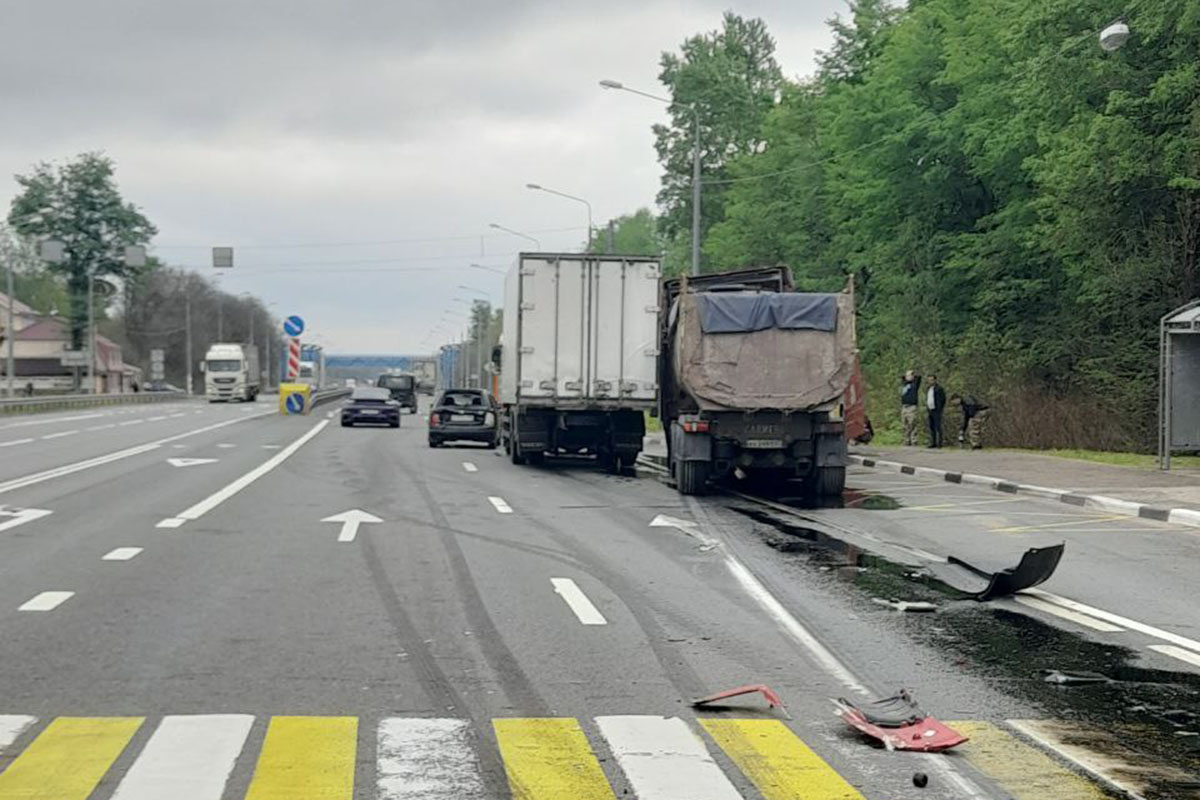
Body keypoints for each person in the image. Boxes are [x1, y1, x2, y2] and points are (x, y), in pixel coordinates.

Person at [899, 370, 921, 445]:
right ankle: (906, 440)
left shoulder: (915, 384)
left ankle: (914, 440)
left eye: (910, 375)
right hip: (904, 406)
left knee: (912, 423)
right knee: (904, 424)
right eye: (907, 376)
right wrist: (906, 376)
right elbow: (902, 377)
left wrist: (913, 374)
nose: (908, 377)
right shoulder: (904, 384)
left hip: (912, 406)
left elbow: (918, 377)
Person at [926, 374, 946, 448]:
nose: (930, 381)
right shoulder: (928, 388)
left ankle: (939, 443)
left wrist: (940, 408)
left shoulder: (939, 388)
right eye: (929, 380)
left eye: (931, 380)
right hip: (930, 409)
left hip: (937, 410)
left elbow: (943, 399)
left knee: (938, 427)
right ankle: (933, 442)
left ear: (935, 380)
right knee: (932, 427)